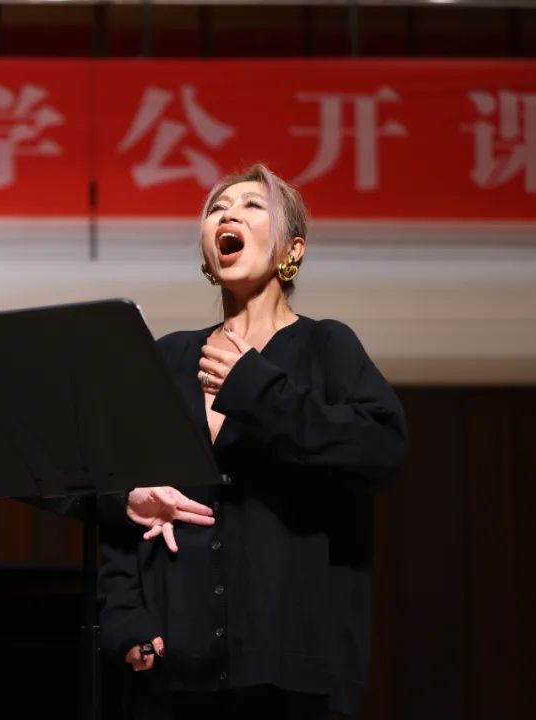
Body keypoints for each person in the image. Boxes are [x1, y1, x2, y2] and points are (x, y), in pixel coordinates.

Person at [99, 164, 408, 720]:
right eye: (217, 209)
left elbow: (380, 448)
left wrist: (257, 390)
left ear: (292, 248)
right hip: (174, 666)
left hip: (292, 666)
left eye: (252, 205)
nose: (229, 215)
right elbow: (126, 495)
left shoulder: (325, 346)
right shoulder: (169, 357)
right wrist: (125, 618)